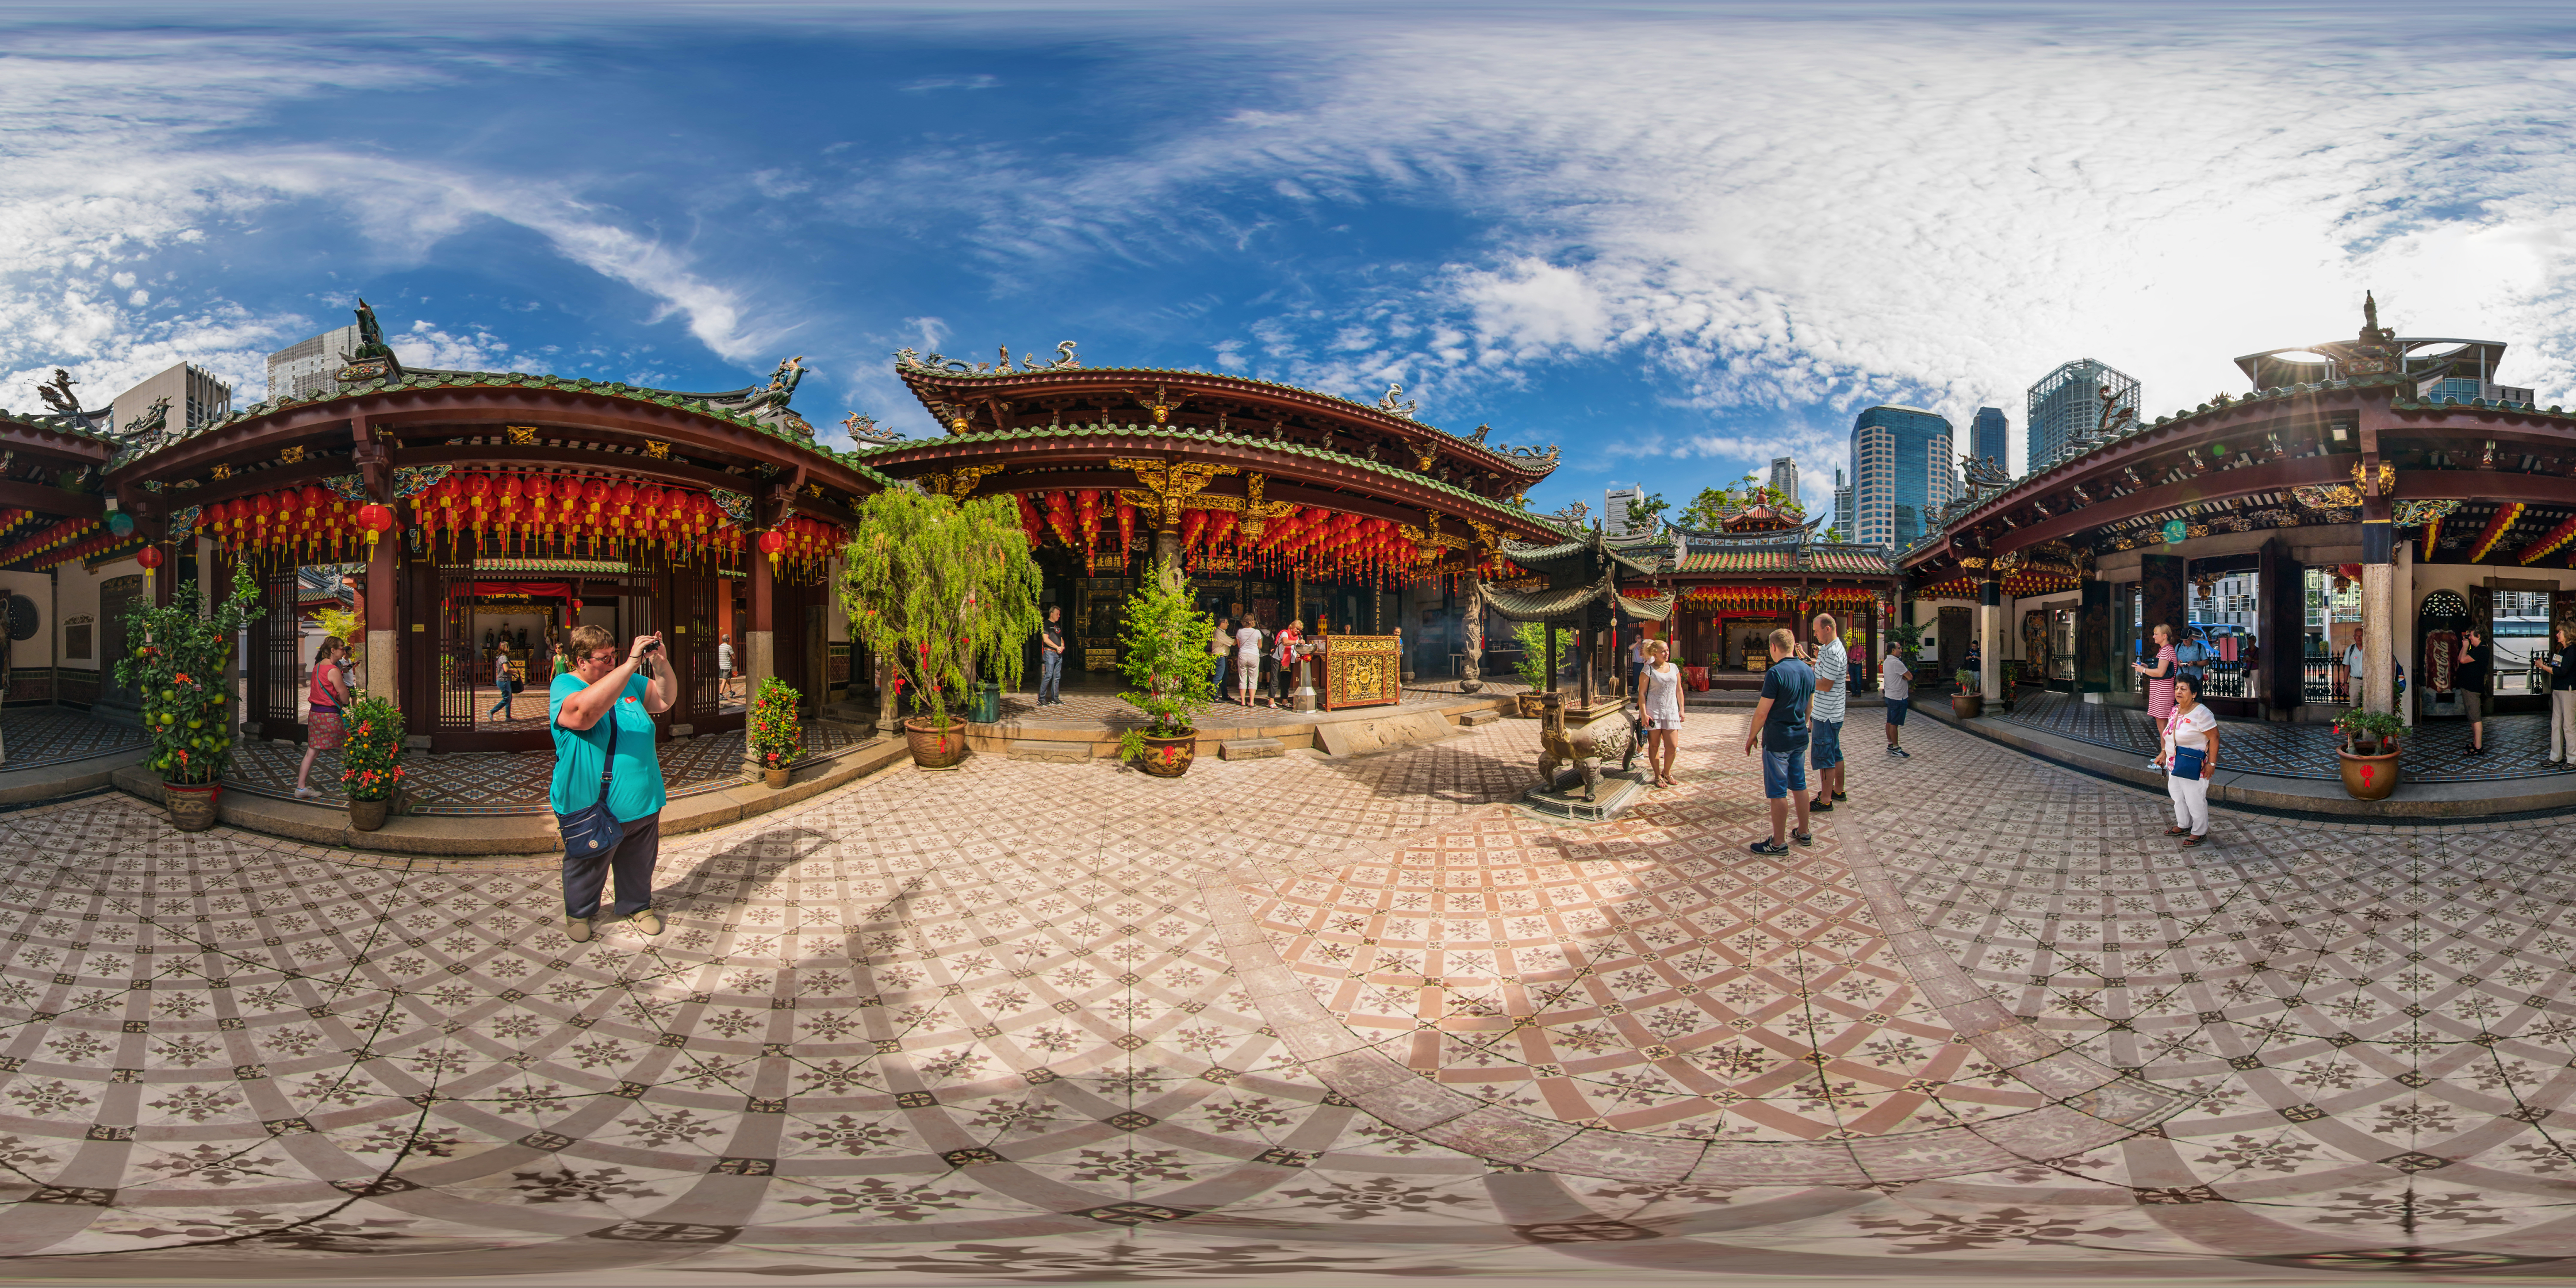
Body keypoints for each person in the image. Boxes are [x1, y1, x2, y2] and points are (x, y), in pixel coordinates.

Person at [550, 625, 676, 942]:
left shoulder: (629, 683)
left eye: (613, 656)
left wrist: (660, 663)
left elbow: (664, 700)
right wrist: (630, 663)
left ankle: (637, 904)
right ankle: (579, 911)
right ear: (580, 661)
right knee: (588, 861)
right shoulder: (565, 684)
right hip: (593, 802)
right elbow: (583, 715)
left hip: (642, 796)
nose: (610, 663)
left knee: (639, 858)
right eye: (603, 658)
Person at [1742, 627, 1815, 855]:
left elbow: (1763, 712)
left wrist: (1752, 735)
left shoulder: (1776, 673)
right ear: (1794, 645)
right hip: (1799, 736)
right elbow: (1809, 707)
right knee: (1800, 785)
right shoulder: (1808, 670)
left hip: (1778, 739)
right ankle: (1804, 831)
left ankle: (1778, 842)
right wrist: (1803, 724)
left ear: (1773, 647)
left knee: (1778, 791)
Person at [2153, 674, 2220, 847]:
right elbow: (2170, 735)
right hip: (2174, 764)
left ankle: (2199, 832)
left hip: (2193, 764)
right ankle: (2184, 825)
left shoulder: (2202, 713)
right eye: (2177, 688)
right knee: (2177, 795)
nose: (2179, 692)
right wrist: (2163, 753)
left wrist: (2211, 764)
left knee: (2194, 798)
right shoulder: (2175, 710)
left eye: (2184, 689)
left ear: (2194, 694)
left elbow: (2215, 738)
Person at [293, 636, 352, 800]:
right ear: (333, 650)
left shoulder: (318, 667)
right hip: (330, 716)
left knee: (312, 752)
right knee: (349, 749)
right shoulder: (334, 671)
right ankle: (359, 785)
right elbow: (345, 698)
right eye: (341, 648)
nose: (344, 651)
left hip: (315, 715)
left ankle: (301, 788)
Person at [1805, 612, 1848, 813]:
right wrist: (1811, 662)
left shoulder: (1833, 652)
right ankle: (1838, 790)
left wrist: (1803, 680)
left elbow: (1826, 684)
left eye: (1817, 630)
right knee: (1835, 753)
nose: (1815, 635)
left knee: (1825, 756)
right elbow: (1823, 669)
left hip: (1827, 713)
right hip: (1832, 711)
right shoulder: (1829, 649)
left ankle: (1826, 799)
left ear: (1827, 629)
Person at [1638, 638, 1684, 787]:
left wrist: (1682, 709)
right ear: (1655, 654)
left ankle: (1667, 772)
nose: (1666, 653)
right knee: (1654, 745)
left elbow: (1679, 690)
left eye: (1667, 650)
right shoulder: (1648, 670)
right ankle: (1658, 775)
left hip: (1671, 711)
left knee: (1672, 746)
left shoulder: (1674, 668)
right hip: (1654, 712)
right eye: (1663, 651)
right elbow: (1642, 694)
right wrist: (1644, 714)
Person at [2541, 623, 2576, 763]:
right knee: (2556, 724)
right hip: (2558, 689)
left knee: (2569, 725)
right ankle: (2556, 756)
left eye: (2560, 632)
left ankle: (2573, 759)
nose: (2557, 635)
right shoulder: (2562, 650)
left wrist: (2543, 667)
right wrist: (2545, 665)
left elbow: (2562, 671)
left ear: (2567, 634)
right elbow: (2555, 667)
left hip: (2568, 690)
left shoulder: (2573, 651)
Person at [2456, 626, 2490, 754]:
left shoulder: (2482, 650)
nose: (2469, 638)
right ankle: (2475, 742)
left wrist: (2465, 646)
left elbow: (2463, 660)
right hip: (2468, 686)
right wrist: (2465, 647)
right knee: (2472, 717)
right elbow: (2461, 660)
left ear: (2479, 636)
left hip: (2473, 687)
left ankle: (2478, 747)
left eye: (2471, 636)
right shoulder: (2477, 649)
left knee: (2476, 717)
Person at [1882, 640, 1912, 758]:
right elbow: (1910, 677)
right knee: (1894, 724)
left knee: (1890, 721)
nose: (1901, 650)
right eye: (1899, 648)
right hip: (1898, 697)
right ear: (1893, 650)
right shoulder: (1896, 663)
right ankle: (1896, 748)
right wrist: (1904, 678)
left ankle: (1890, 744)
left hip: (1890, 695)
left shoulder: (1887, 661)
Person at [1036, 606, 1065, 706]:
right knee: (1048, 675)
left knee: (1057, 677)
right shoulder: (1046, 624)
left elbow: (1061, 638)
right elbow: (1046, 639)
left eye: (1059, 614)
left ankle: (1055, 699)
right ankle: (1041, 699)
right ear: (1051, 614)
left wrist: (1062, 646)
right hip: (1050, 653)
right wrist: (1057, 647)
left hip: (1058, 654)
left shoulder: (1057, 625)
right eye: (1057, 614)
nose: (1059, 616)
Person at [1272, 619, 1303, 707]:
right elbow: (1285, 643)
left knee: (1286, 680)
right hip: (1278, 659)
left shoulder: (1297, 637)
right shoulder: (1285, 633)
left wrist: (1297, 657)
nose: (1298, 631)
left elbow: (1295, 649)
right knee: (1275, 680)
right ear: (1292, 627)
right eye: (1297, 629)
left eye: (1300, 630)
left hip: (1288, 660)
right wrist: (1297, 642)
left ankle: (1285, 700)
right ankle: (1271, 700)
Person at [1234, 615, 1263, 708]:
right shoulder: (1257, 632)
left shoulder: (1240, 632)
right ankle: (1251, 702)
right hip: (1254, 655)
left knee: (1243, 678)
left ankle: (1243, 701)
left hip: (1243, 654)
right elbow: (1260, 646)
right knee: (1253, 679)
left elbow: (1239, 645)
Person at [1209, 617, 1234, 703]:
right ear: (1222, 624)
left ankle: (1225, 695)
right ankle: (1214, 696)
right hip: (1220, 657)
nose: (1228, 625)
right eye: (1226, 623)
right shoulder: (1219, 633)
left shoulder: (1222, 632)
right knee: (1219, 677)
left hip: (1223, 657)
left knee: (1224, 677)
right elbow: (1232, 642)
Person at [2344, 629, 2365, 702]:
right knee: (2354, 704)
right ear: (2354, 637)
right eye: (2357, 636)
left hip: (2367, 681)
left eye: (2361, 636)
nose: (2359, 638)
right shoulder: (2350, 649)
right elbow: (2347, 667)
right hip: (2355, 681)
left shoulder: (2369, 649)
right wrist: (2346, 683)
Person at [716, 634, 737, 701]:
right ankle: (721, 694)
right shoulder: (729, 647)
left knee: (728, 679)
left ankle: (731, 692)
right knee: (725, 680)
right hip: (727, 666)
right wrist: (730, 658)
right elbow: (734, 657)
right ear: (728, 640)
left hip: (721, 665)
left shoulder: (720, 647)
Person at [1627, 632, 1648, 697]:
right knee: (1636, 676)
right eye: (1638, 638)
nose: (1640, 639)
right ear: (1636, 639)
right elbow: (1630, 648)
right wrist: (1637, 643)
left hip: (1643, 664)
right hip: (1636, 664)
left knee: (1643, 677)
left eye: (1640, 638)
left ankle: (1642, 689)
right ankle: (1635, 689)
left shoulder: (1643, 645)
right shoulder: (1634, 645)